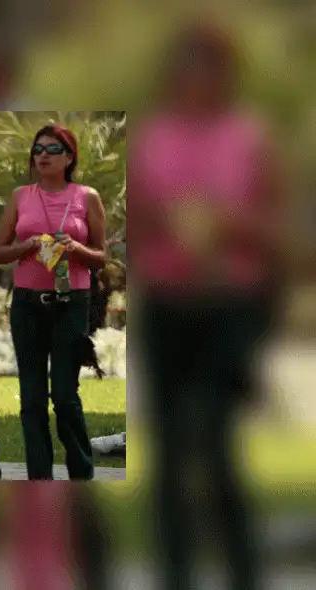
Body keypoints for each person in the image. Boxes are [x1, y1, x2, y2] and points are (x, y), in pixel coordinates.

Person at [129, 22, 281, 589]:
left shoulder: (248, 137)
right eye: (187, 65)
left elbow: (277, 231)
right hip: (168, 306)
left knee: (215, 448)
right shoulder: (152, 137)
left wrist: (233, 226)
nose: (197, 78)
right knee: (168, 454)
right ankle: (177, 574)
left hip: (228, 307)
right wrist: (165, 220)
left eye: (208, 66)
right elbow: (133, 218)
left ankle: (243, 571)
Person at [0, 124, 108, 480]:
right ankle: (39, 478)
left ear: (69, 157)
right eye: (38, 149)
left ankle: (81, 472)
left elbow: (101, 257)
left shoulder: (87, 197)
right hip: (28, 305)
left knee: (64, 395)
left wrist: (76, 249)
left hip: (70, 302)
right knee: (32, 399)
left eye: (52, 149)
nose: (42, 155)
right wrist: (25, 247)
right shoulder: (20, 196)